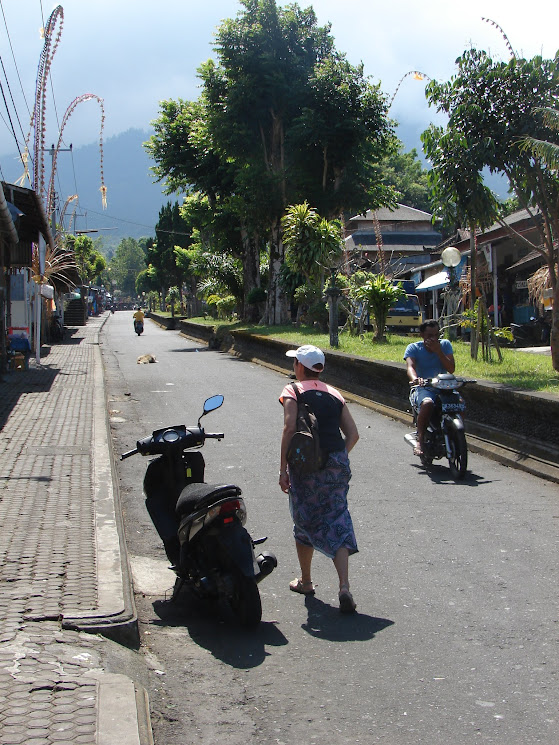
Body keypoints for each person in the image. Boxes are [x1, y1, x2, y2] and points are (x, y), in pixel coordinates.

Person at [279, 344, 360, 613]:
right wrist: (335, 458)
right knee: (337, 518)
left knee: (304, 519)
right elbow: (353, 434)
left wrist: (283, 469)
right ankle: (344, 586)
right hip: (336, 463)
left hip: (306, 467)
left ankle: (306, 581)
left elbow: (290, 427)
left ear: (300, 367)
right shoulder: (335, 394)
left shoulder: (294, 390)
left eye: (295, 364)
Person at [404, 320, 456, 456]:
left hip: (443, 386)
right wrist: (415, 379)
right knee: (428, 403)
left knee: (459, 402)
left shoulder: (445, 345)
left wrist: (438, 351)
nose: (433, 339)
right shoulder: (413, 348)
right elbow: (410, 367)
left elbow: (451, 369)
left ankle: (457, 435)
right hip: (424, 388)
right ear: (422, 335)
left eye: (436, 335)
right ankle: (420, 439)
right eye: (429, 336)